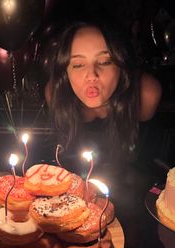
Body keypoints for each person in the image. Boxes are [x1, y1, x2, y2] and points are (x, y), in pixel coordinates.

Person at [44, 17, 162, 177]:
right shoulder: (56, 93)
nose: (91, 75)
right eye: (78, 65)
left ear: (121, 65)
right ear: (65, 71)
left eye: (105, 62)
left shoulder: (145, 93)